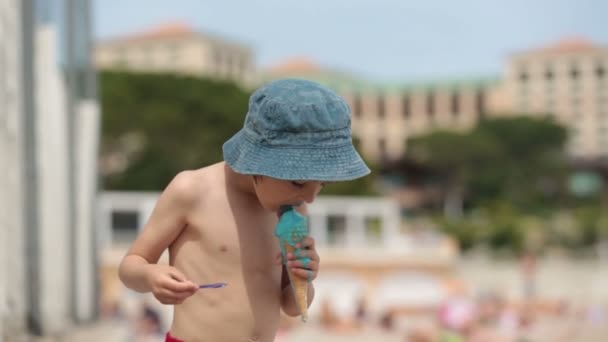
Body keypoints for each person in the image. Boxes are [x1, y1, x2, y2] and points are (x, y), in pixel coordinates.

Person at [118, 78, 371, 342]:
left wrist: (304, 280)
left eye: (322, 184)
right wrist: (151, 275)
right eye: (298, 182)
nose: (309, 198)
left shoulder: (293, 208)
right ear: (257, 162)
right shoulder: (193, 190)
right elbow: (130, 267)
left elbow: (292, 307)